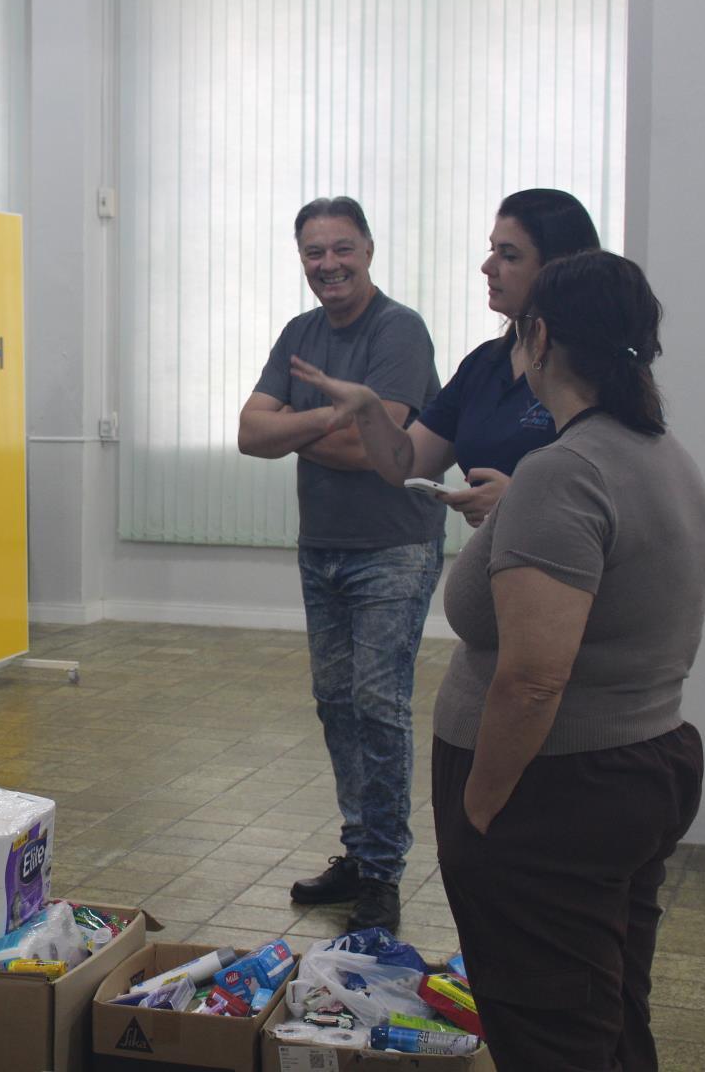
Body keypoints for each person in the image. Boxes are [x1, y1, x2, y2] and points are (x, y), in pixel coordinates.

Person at [406, 252, 705, 1069]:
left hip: (554, 793)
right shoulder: (660, 454)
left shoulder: (565, 472)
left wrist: (479, 809)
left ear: (538, 339)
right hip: (635, 769)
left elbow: (534, 678)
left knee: (548, 1034)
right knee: (607, 1012)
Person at [237, 197, 445, 932]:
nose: (328, 264)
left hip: (394, 547)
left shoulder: (399, 330)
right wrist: (333, 414)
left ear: (368, 250)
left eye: (342, 249)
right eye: (314, 252)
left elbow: (374, 450)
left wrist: (296, 429)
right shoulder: (301, 333)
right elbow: (248, 433)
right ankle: (359, 852)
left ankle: (382, 873)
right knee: (335, 704)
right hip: (322, 546)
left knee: (378, 706)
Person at [297, 189, 602, 527]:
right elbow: (407, 464)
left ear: (557, 267)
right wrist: (368, 407)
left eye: (509, 256)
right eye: (491, 250)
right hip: (498, 555)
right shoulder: (485, 364)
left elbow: (619, 491)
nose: (488, 267)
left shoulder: (593, 367)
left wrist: (519, 498)